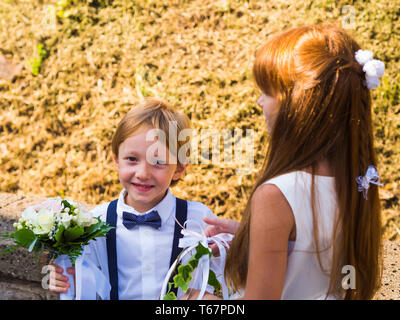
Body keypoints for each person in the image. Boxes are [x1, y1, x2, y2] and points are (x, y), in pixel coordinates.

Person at [191, 24, 385, 300]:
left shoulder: (276, 195)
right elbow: (313, 252)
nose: (259, 102)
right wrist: (251, 236)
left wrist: (205, 301)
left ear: (296, 104)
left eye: (267, 91)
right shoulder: (358, 182)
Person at [48, 97, 218, 299]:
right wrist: (61, 277)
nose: (143, 173)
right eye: (132, 159)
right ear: (116, 160)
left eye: (158, 162)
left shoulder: (198, 220)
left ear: (179, 168)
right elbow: (84, 282)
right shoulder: (94, 224)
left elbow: (225, 277)